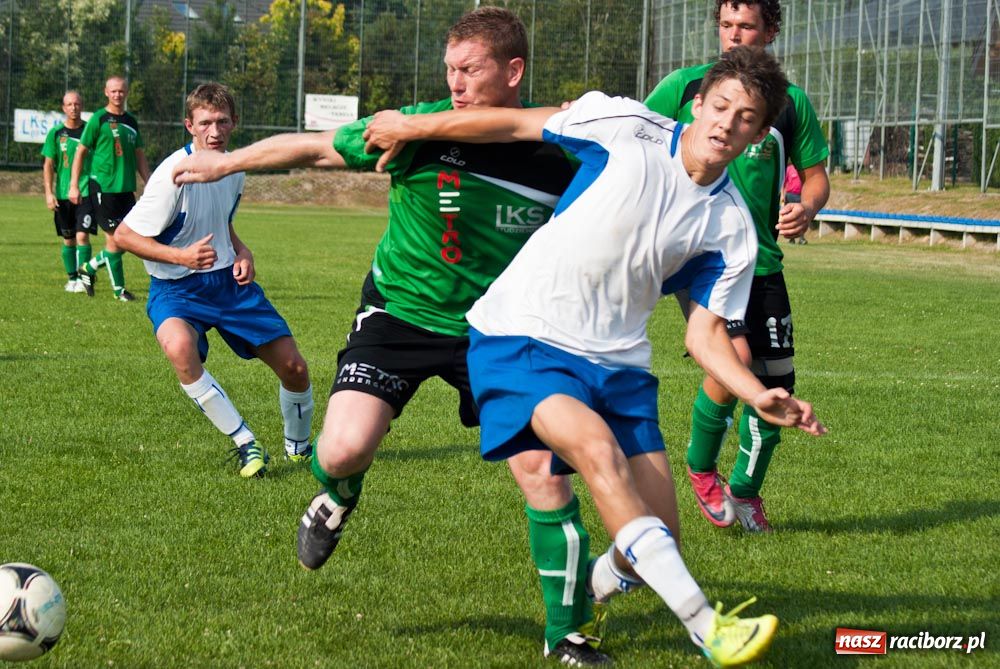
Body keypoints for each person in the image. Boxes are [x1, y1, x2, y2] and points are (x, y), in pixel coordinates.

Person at [362, 44, 826, 668]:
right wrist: (412, 125)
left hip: (620, 366)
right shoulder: (625, 126)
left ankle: (591, 586)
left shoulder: (734, 229)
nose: (726, 124)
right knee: (596, 454)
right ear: (697, 103)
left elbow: (704, 335)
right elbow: (515, 123)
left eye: (746, 118)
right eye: (720, 106)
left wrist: (754, 391)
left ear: (760, 135)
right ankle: (706, 625)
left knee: (655, 541)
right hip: (522, 336)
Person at [172, 8, 607, 665]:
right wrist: (227, 161)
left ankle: (568, 634)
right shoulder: (414, 130)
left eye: (470, 70)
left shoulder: (562, 152)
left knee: (544, 472)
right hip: (400, 314)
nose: (454, 83)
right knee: (342, 449)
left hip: (501, 328)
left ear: (513, 72)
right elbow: (314, 146)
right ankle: (338, 496)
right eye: (449, 70)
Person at [643, 0, 830, 534]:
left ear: (770, 31)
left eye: (745, 26)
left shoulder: (789, 104)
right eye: (726, 25)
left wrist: (807, 207)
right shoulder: (686, 87)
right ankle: (702, 466)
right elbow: (640, 141)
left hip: (761, 262)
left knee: (777, 386)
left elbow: (815, 176)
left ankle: (745, 495)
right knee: (738, 358)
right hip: (700, 256)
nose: (733, 35)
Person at [112, 83, 314, 476]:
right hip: (176, 289)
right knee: (177, 346)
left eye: (222, 121)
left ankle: (300, 449)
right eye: (205, 122)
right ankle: (246, 443)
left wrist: (242, 250)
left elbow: (222, 221)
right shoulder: (172, 174)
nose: (214, 131)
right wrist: (180, 256)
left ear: (234, 123)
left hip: (227, 285)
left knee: (295, 368)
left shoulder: (233, 168)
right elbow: (124, 235)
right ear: (190, 125)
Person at [69, 76, 151, 301]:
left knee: (129, 239)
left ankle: (89, 268)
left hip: (126, 189)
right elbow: (81, 152)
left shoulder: (131, 121)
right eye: (113, 91)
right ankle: (119, 291)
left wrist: (149, 181)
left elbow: (139, 155)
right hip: (103, 188)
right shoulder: (98, 119)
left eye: (121, 91)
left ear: (126, 92)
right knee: (115, 240)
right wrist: (74, 185)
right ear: (106, 92)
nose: (117, 95)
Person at [41, 90, 96, 293]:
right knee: (68, 238)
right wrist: (48, 192)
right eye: (69, 104)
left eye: (77, 104)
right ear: (63, 108)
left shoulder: (89, 132)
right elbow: (48, 164)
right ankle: (72, 278)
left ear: (82, 106)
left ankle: (84, 278)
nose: (74, 108)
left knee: (82, 236)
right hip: (63, 194)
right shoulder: (55, 134)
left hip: (85, 193)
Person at [783, 164, 806, 244]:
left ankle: (801, 238)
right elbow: (784, 183)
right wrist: (782, 195)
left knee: (801, 217)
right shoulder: (789, 169)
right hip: (790, 195)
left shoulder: (802, 169)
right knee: (791, 217)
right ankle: (791, 238)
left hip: (801, 195)